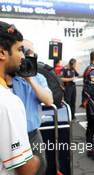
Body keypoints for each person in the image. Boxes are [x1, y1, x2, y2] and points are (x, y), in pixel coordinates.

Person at [5, 39, 53, 175]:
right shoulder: (7, 77)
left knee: (40, 167)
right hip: (11, 136)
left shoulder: (39, 77)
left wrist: (30, 78)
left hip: (33, 134)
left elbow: (48, 100)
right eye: (24, 53)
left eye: (31, 56)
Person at [0, 21, 40, 175]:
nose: (23, 57)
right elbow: (26, 169)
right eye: (20, 50)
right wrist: (36, 160)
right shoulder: (7, 102)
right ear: (2, 53)